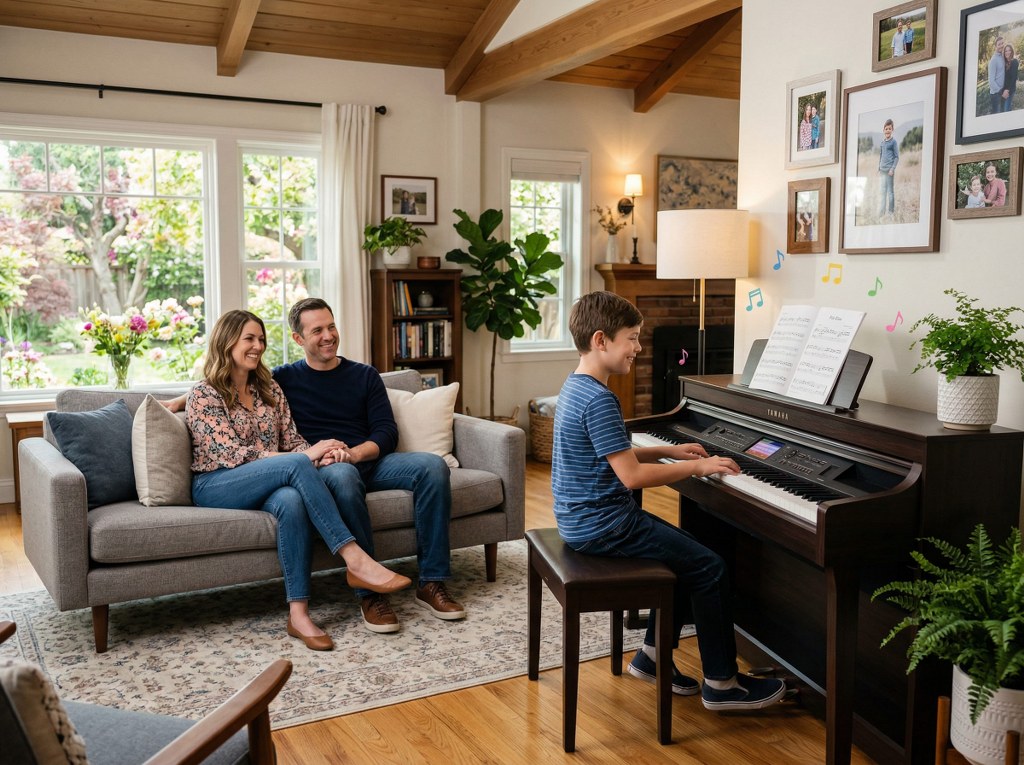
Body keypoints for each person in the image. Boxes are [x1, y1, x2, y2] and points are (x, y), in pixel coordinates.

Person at [551, 290, 787, 711]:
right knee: (709, 566)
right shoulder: (601, 399)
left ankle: (652, 656)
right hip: (605, 525)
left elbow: (612, 455)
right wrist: (698, 468)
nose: (639, 349)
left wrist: (671, 451)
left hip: (582, 520)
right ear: (601, 340)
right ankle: (722, 684)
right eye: (632, 338)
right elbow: (632, 476)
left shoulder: (575, 388)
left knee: (684, 556)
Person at [186, 310, 412, 652]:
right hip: (218, 482)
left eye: (261, 339)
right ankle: (356, 559)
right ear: (227, 341)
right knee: (296, 466)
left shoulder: (268, 388)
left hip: (267, 479)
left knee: (291, 501)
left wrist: (321, 453)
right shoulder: (204, 394)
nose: (258, 346)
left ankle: (298, 613)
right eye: (249, 338)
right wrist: (305, 457)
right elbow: (232, 454)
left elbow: (291, 441)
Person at [878, 118, 899, 218]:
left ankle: (891, 213)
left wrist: (892, 169)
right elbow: (881, 155)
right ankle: (881, 213)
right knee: (882, 192)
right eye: (886, 129)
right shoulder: (882, 143)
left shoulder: (893, 142)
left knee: (890, 192)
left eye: (889, 129)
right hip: (882, 171)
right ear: (883, 130)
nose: (887, 130)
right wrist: (879, 168)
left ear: (892, 130)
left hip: (889, 171)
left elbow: (896, 157)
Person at [990, 36, 1006, 115]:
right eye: (999, 44)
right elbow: (991, 81)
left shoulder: (1002, 56)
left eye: (1002, 43)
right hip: (996, 94)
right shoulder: (993, 60)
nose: (1001, 45)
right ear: (995, 46)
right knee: (997, 116)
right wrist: (1000, 91)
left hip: (1002, 91)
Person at [1001, 42, 1019, 113]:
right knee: (1007, 108)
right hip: (1003, 89)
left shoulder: (1014, 62)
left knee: (1006, 109)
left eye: (1009, 50)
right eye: (1006, 51)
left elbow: (1013, 78)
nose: (1007, 52)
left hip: (1010, 89)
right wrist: (1003, 90)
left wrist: (1007, 91)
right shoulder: (1004, 63)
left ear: (1012, 51)